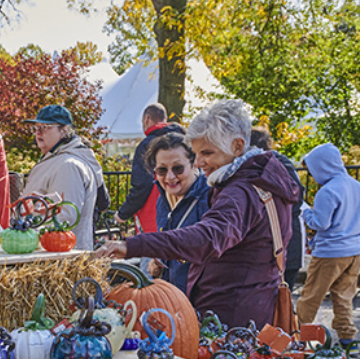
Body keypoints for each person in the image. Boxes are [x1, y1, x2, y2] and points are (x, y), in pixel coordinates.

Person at [95, 99, 301, 328]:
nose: (200, 162)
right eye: (196, 153)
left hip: (232, 318)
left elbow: (207, 238)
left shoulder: (240, 192)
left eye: (207, 153)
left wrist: (132, 245)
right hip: (248, 307)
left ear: (237, 146)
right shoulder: (259, 180)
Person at [294, 143, 360, 342]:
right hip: (355, 250)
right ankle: (348, 339)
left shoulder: (328, 191)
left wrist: (305, 210)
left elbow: (320, 223)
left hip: (330, 252)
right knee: (343, 298)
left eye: (312, 171)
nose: (313, 176)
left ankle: (298, 337)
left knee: (311, 297)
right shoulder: (357, 186)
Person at [21, 104, 105, 250]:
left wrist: (24, 234)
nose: (38, 133)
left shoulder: (69, 165)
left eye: (45, 127)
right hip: (48, 253)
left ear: (64, 130)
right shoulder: (57, 158)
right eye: (36, 128)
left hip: (61, 256)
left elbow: (65, 218)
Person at [145, 132, 211, 293]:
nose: (170, 177)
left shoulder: (210, 198)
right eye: (161, 170)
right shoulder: (162, 200)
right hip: (171, 296)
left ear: (194, 163)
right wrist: (158, 260)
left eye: (178, 168)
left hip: (200, 299)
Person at [115, 103, 185, 234]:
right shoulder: (183, 141)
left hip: (153, 214)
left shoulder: (147, 145)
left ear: (146, 119)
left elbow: (141, 185)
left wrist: (123, 213)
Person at [251, 127, 306, 289]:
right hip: (290, 241)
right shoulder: (284, 164)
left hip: (270, 245)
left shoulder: (255, 167)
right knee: (284, 299)